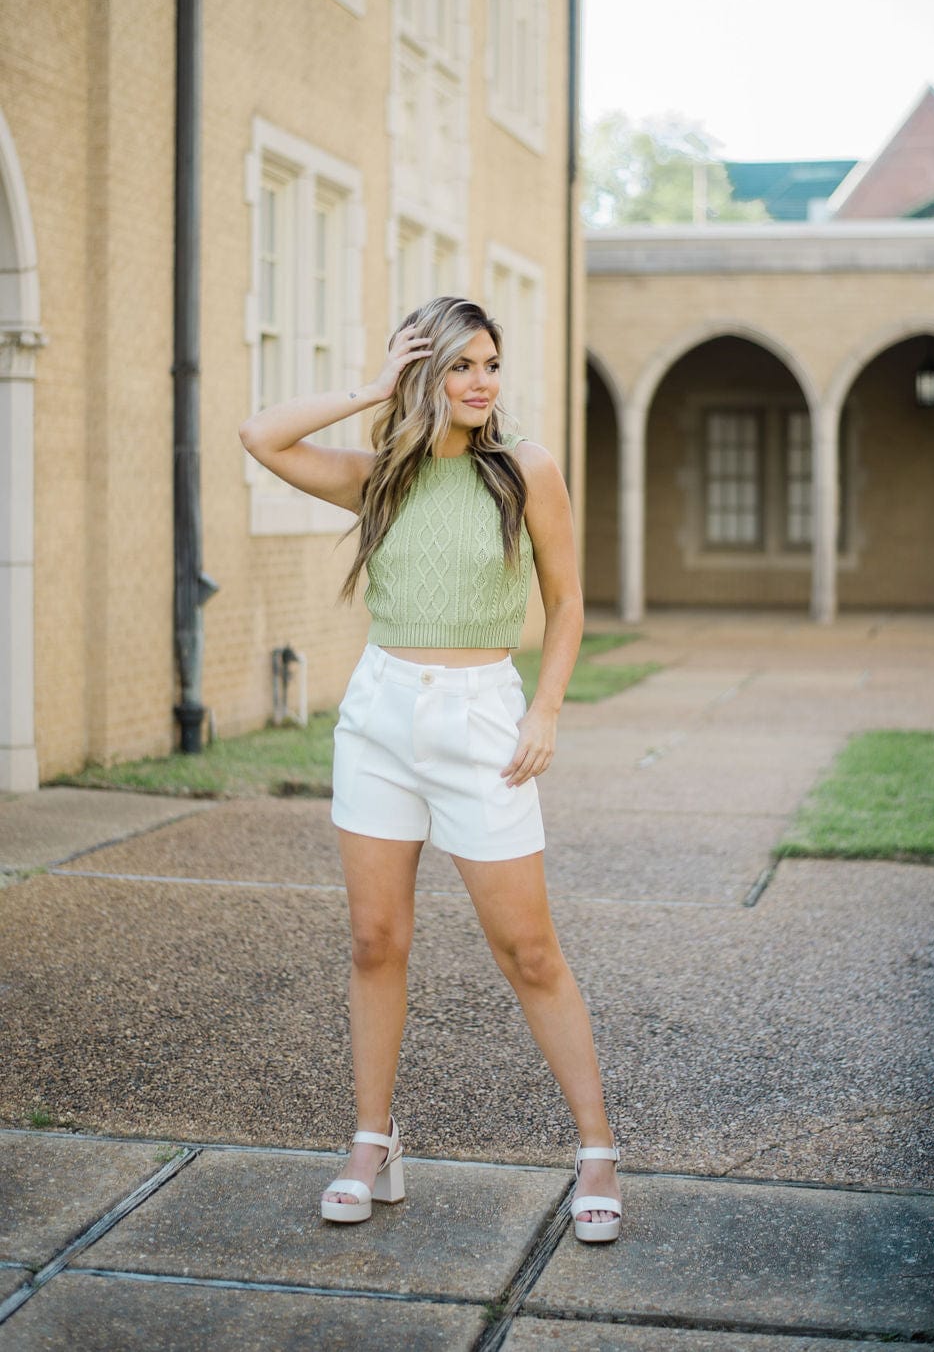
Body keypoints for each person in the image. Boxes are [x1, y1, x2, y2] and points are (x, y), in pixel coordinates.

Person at [238, 295, 622, 1243]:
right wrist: (370, 387)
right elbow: (261, 435)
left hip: (484, 716)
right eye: (460, 365)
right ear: (424, 375)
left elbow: (569, 603)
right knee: (375, 939)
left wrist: (545, 709)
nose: (482, 381)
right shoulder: (382, 478)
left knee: (529, 951)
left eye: (490, 362)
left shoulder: (526, 469)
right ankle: (374, 1141)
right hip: (379, 718)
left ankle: (597, 1150)